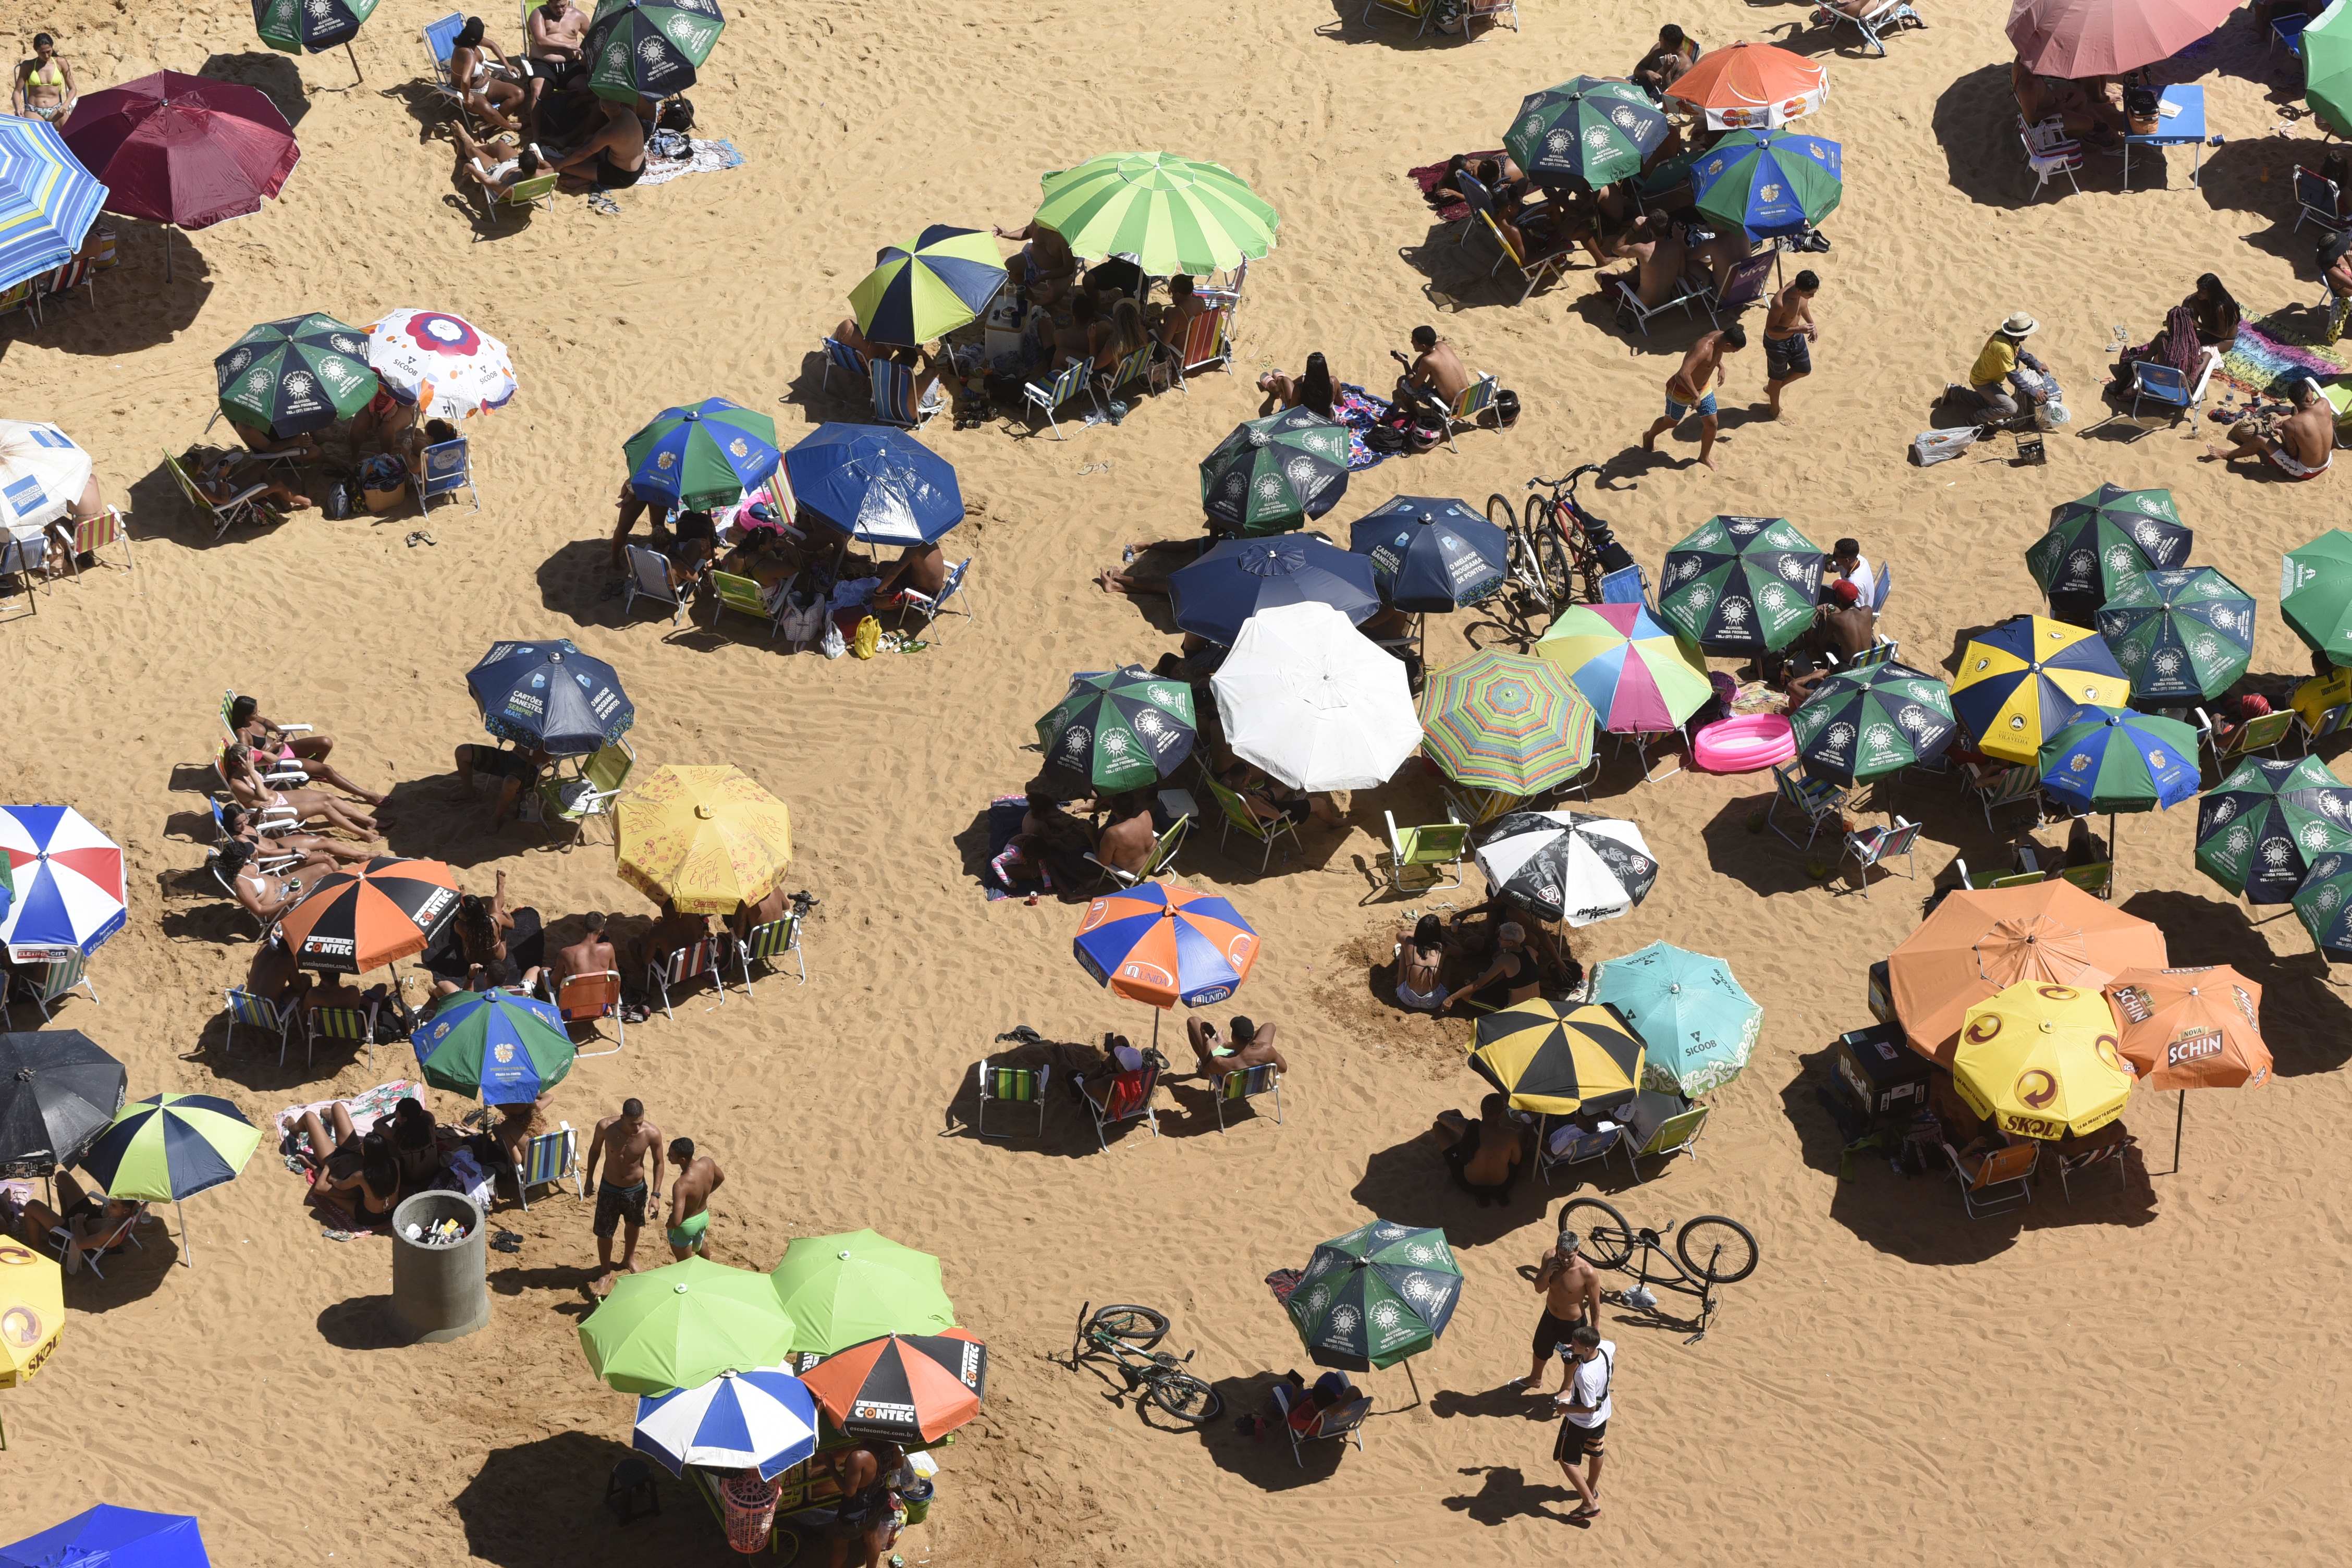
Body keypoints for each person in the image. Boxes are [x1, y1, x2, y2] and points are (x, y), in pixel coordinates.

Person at [227, 697, 383, 804]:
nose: (258, 714)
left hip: (285, 748)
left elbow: (266, 722)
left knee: (325, 742)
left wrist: (278, 730)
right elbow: (250, 758)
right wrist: (273, 747)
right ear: (246, 715)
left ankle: (312, 772)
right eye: (255, 712)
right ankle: (367, 795)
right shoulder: (242, 733)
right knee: (327, 770)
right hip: (277, 763)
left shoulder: (252, 720)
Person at [584, 1098, 666, 1294]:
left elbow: (659, 1163)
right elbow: (595, 1151)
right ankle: (605, 1271)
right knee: (605, 1233)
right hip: (609, 1188)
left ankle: (629, 1258)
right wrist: (589, 1179)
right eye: (632, 1124)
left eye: (640, 1123)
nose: (637, 1128)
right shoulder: (605, 1127)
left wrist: (655, 1194)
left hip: (635, 1189)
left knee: (633, 1225)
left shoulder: (651, 1133)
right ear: (622, 1118)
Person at [1642, 324, 1745, 470]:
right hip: (1681, 391)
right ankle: (1649, 436)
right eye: (1734, 350)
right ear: (1728, 344)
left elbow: (1713, 356)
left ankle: (1704, 457)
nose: (1733, 353)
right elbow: (1682, 374)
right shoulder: (1704, 348)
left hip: (1703, 388)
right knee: (1670, 423)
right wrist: (1695, 396)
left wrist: (1721, 366)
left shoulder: (1720, 336)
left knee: (1712, 425)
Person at [222, 747, 382, 838]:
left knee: (328, 796)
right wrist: (251, 770)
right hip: (270, 811)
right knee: (324, 806)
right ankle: (364, 834)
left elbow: (274, 760)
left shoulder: (246, 768)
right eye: (249, 760)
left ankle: (368, 821)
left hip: (278, 797)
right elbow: (263, 796)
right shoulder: (236, 783)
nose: (254, 762)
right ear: (239, 765)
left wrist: (258, 752)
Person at [1522, 1221, 1605, 1393]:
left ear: (1577, 1252)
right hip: (1550, 1316)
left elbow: (1595, 1302)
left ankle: (1566, 1388)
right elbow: (1539, 1289)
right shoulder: (1549, 1258)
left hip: (1573, 1324)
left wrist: (1595, 1329)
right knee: (1540, 1349)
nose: (1565, 1260)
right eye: (1562, 1255)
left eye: (1570, 1256)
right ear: (1556, 1249)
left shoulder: (1587, 1273)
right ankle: (1535, 1379)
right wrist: (1547, 1273)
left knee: (1571, 1358)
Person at [2202, 376, 2333, 481]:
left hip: (2305, 471)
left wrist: (2283, 434)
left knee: (2260, 439)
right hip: (2328, 461)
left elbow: (2292, 454)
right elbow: (2312, 424)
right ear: (2310, 398)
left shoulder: (2291, 425)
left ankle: (2228, 455)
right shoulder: (2324, 403)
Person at [1553, 1324, 1614, 1522]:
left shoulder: (1583, 1375)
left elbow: (1588, 1406)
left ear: (1587, 1349)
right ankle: (1592, 1489)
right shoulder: (1605, 1348)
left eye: (1576, 1344)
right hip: (1602, 1416)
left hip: (1581, 1422)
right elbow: (1608, 1346)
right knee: (1596, 1451)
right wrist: (1575, 1350)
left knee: (1565, 1460)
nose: (1572, 1345)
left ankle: (1589, 1503)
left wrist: (1565, 1409)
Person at [1944, 312, 2051, 423]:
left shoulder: (2008, 337)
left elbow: (2019, 352)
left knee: (1993, 402)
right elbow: (2013, 377)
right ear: (2022, 335)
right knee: (2010, 408)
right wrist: (2033, 392)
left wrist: (2036, 364)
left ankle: (1954, 392)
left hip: (1988, 377)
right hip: (1983, 382)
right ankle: (1974, 421)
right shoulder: (2003, 349)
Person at [817, 1436, 904, 1568]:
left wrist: (831, 1467)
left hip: (856, 1507)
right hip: (878, 1498)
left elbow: (849, 1491)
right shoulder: (889, 1443)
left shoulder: (858, 1457)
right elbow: (899, 1464)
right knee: (872, 1537)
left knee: (841, 1541)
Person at [1432, 1094, 1526, 1206]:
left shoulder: (1467, 1126)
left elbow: (1440, 1117)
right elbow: (1516, 1161)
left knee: (1437, 1126)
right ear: (1501, 1114)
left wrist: (1455, 1111)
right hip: (1502, 1185)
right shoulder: (1510, 1135)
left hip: (1469, 1184)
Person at [39, 1172, 140, 1275]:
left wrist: (79, 1222)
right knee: (62, 1176)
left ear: (126, 1210)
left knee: (33, 1205)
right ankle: (63, 1216)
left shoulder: (111, 1232)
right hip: (90, 1215)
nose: (109, 1207)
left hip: (74, 1231)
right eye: (110, 1203)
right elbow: (136, 1205)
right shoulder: (132, 1210)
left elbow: (82, 1244)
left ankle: (36, 1249)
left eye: (113, 1206)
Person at [448, 18, 533, 136]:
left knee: (518, 94)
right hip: (471, 91)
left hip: (487, 83)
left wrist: (507, 65)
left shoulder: (472, 39)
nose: (480, 41)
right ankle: (511, 127)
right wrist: (467, 98)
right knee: (488, 108)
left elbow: (492, 45)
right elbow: (465, 80)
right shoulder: (467, 54)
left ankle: (491, 125)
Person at [544, 94, 646, 190]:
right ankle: (587, 176)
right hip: (640, 165)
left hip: (622, 175)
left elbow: (582, 155)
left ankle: (588, 178)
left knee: (564, 166)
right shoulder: (628, 113)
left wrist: (561, 165)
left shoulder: (609, 132)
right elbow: (593, 141)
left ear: (602, 108)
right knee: (591, 143)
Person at [1597, 209, 1685, 310]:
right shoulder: (1677, 248)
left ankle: (1611, 295)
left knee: (1599, 274)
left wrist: (1633, 229)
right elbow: (1681, 273)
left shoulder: (1643, 250)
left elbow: (1616, 249)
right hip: (1666, 301)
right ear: (1668, 225)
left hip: (1642, 305)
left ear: (1649, 227)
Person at [437, 119, 546, 201]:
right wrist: (540, 159)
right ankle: (467, 150)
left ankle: (467, 142)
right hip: (515, 166)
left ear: (520, 166)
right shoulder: (546, 174)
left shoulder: (509, 188)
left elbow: (487, 181)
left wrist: (471, 168)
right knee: (500, 145)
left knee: (474, 151)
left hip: (496, 171)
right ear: (537, 164)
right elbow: (550, 167)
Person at [1442, 921, 1539, 1012]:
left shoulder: (1505, 959)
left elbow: (1477, 985)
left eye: (1501, 938)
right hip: (1535, 1002)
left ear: (1510, 943)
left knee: (1466, 995)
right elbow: (1534, 956)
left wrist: (1452, 998)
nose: (1498, 940)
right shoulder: (1530, 950)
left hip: (1515, 1009)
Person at [1761, 271, 1820, 419]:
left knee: (1804, 369)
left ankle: (1773, 389)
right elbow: (1771, 329)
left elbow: (1803, 307)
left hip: (1795, 337)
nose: (1813, 297)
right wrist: (1799, 329)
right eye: (1810, 294)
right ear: (1799, 291)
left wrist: (1811, 324)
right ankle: (1775, 411)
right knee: (1777, 377)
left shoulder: (1800, 290)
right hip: (1777, 343)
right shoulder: (1780, 302)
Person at [451, 741, 552, 826]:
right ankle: (467, 791)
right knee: (463, 751)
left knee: (510, 782)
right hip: (511, 756)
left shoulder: (557, 730)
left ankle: (496, 818)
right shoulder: (531, 719)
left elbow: (545, 759)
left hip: (531, 766)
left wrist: (525, 750)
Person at [187, 447, 311, 514]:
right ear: (194, 469)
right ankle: (305, 502)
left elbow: (214, 483)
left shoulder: (196, 478)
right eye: (201, 464)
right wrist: (223, 479)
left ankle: (279, 497)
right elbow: (224, 501)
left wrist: (220, 474)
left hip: (231, 486)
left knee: (260, 466)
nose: (203, 466)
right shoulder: (200, 489)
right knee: (277, 484)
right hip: (234, 500)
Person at [664, 1137, 724, 1259]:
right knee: (700, 1246)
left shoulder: (681, 1185)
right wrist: (704, 1195)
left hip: (687, 1225)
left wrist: (669, 1225)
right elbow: (721, 1178)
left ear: (682, 1160)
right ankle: (707, 1271)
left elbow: (676, 1221)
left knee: (684, 1265)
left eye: (671, 1155)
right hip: (703, 1217)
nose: (667, 1155)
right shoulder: (708, 1163)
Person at [1186, 1014, 1288, 1079]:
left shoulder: (1220, 1062)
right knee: (1270, 1026)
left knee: (1193, 1021)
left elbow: (1205, 1070)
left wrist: (1206, 1042)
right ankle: (1225, 1044)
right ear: (1251, 1037)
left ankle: (1223, 1043)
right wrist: (1264, 1050)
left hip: (1226, 1069)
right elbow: (1283, 1069)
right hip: (1255, 1081)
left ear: (1233, 1037)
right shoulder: (1267, 1050)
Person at [1092, 792, 1158, 880]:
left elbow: (1104, 862)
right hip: (1152, 862)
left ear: (1114, 812)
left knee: (1081, 852)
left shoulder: (1114, 833)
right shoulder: (1145, 813)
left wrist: (1091, 835)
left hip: (1133, 872)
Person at [1402, 325, 1472, 407]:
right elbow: (1429, 352)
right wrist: (1419, 360)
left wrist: (1405, 363)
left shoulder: (1428, 361)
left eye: (1414, 341)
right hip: (1469, 400)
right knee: (1435, 372)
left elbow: (1415, 385)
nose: (1411, 342)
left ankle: (1414, 415)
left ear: (1423, 346)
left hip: (1453, 407)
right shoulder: (1442, 345)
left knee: (1402, 382)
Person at [11, 34, 76, 121]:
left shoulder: (60, 62)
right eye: (42, 53)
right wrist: (18, 108)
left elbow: (73, 89)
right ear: (36, 50)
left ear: (52, 47)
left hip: (56, 110)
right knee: (36, 131)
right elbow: (17, 91)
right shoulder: (28, 65)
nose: (46, 56)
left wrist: (66, 104)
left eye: (49, 51)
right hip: (34, 111)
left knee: (68, 130)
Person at [553, 910, 619, 994]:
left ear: (583, 927)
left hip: (573, 1005)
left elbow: (554, 984)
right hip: (601, 1005)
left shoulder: (566, 953)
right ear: (601, 932)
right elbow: (615, 978)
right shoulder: (608, 948)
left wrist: (545, 974)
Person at [1393, 914, 1448, 1013]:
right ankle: (1445, 989)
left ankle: (1399, 983)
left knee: (1404, 948)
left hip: (1406, 998)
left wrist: (1418, 934)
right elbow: (1461, 952)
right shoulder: (1443, 947)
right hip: (1434, 1002)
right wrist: (1444, 935)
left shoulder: (1409, 943)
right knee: (1449, 957)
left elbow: (1399, 935)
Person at [1257, 352, 1337, 417]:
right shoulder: (1333, 383)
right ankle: (1282, 385)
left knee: (1286, 381)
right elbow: (1341, 403)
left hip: (1305, 421)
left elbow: (1292, 411)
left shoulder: (1300, 388)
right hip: (1328, 422)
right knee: (1302, 378)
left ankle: (1275, 389)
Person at [524, 0, 590, 78]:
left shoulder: (578, 16)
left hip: (571, 64)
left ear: (568, 1)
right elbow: (540, 41)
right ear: (548, 4)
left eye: (563, 6)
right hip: (543, 63)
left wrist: (585, 56)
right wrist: (567, 45)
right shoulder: (539, 14)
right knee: (538, 89)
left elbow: (594, 37)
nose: (560, 10)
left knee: (586, 88)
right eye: (556, 7)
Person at [1814, 579, 1877, 659]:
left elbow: (1822, 641)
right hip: (1868, 659)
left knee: (1816, 637)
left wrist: (1825, 618)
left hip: (1849, 663)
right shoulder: (1868, 610)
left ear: (1837, 598)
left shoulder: (1835, 619)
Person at [1153, 273, 1211, 360]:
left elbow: (1165, 341)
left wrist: (1155, 326)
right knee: (1168, 310)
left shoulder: (1178, 312)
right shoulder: (1201, 301)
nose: (1171, 295)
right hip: (1199, 352)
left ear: (1178, 294)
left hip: (1181, 358)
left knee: (1150, 334)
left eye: (1170, 292)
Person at [874, 540, 947, 607]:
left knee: (877, 602)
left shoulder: (915, 545)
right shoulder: (928, 539)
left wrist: (878, 591)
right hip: (929, 582)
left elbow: (895, 572)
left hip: (928, 593)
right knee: (883, 566)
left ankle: (908, 610)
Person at [1630, 24, 1698, 94]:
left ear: (1668, 45)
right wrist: (1649, 73)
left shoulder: (1685, 66)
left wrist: (1667, 72)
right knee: (1617, 82)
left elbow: (1670, 97)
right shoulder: (1659, 48)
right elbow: (1637, 70)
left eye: (1661, 39)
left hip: (1650, 98)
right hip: (1636, 85)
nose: (1659, 40)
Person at [2189, 273, 2241, 351]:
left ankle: (2194, 333)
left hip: (2225, 341)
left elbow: (2222, 334)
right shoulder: (2215, 297)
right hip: (2210, 334)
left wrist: (2200, 326)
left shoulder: (2220, 308)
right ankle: (2192, 333)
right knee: (2194, 299)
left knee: (2195, 349)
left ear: (2211, 292)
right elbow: (2192, 298)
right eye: (2198, 289)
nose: (2198, 293)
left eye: (2202, 292)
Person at [1825, 537, 1876, 608]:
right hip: (1844, 594)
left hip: (1854, 607)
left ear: (1847, 560)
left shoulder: (1855, 583)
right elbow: (1831, 568)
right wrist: (1823, 560)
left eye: (1836, 556)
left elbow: (1857, 610)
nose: (1833, 557)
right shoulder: (1854, 559)